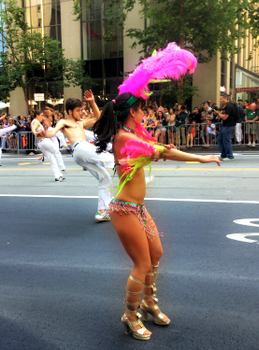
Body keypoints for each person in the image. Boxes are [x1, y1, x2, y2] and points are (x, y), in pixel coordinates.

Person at [93, 92, 220, 341]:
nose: (145, 114)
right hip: (123, 210)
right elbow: (162, 151)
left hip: (138, 209)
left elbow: (155, 146)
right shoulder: (125, 138)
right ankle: (130, 316)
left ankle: (148, 302)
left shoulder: (132, 135)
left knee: (156, 254)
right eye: (142, 110)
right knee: (141, 264)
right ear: (133, 112)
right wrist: (199, 158)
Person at [45, 90, 113, 221]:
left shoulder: (81, 123)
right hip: (80, 147)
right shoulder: (64, 122)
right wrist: (44, 134)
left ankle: (101, 211)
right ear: (70, 111)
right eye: (78, 110)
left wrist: (93, 102)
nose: (81, 113)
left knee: (105, 177)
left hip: (79, 154)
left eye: (81, 110)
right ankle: (137, 177)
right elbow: (53, 133)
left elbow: (97, 118)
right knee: (111, 159)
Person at [31, 110, 65, 181]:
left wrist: (35, 132)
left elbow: (33, 128)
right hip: (44, 141)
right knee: (56, 152)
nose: (42, 117)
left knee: (52, 158)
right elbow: (33, 128)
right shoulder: (36, 121)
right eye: (41, 115)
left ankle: (57, 175)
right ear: (37, 115)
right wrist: (35, 133)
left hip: (40, 143)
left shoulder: (34, 122)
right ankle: (61, 167)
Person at [217, 93, 237, 160]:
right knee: (219, 139)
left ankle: (230, 156)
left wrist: (218, 113)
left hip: (229, 126)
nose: (220, 100)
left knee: (226, 140)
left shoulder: (229, 106)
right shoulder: (225, 106)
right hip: (225, 125)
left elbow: (224, 117)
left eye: (221, 99)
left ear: (226, 99)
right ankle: (223, 154)